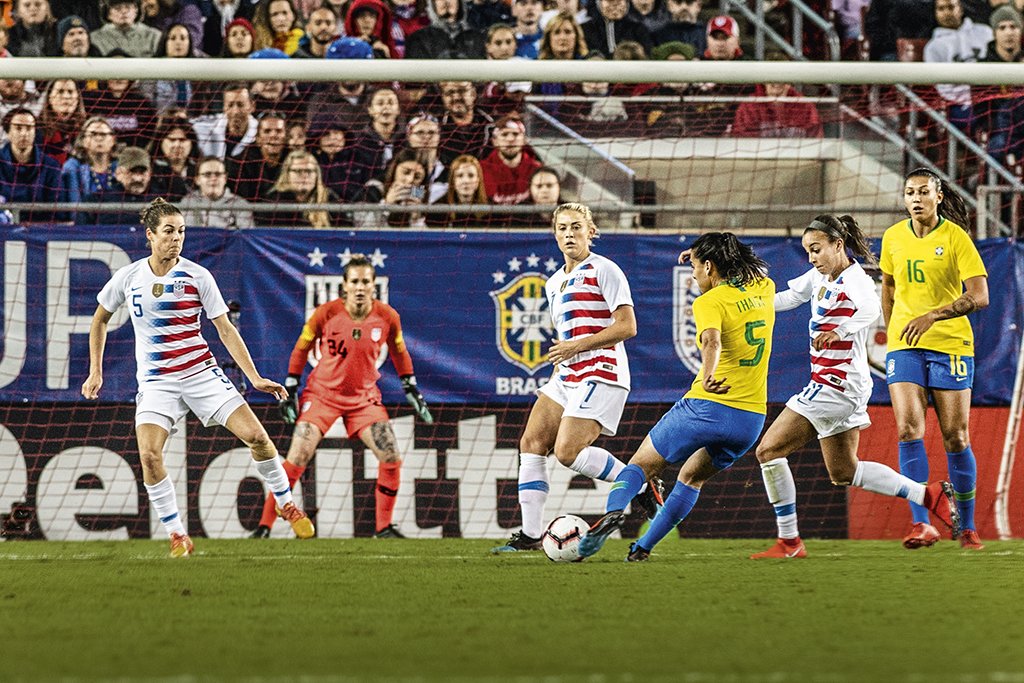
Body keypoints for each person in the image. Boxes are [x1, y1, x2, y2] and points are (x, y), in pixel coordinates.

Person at [81, 198, 313, 557]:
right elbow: (99, 320)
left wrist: (253, 377)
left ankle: (285, 502)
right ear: (150, 235)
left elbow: (225, 329)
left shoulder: (197, 275)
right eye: (169, 231)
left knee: (258, 437)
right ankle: (177, 534)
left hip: (201, 374)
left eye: (182, 231)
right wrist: (96, 370)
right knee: (150, 455)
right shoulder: (128, 277)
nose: (177, 238)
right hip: (157, 383)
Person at [750, 215, 960, 559]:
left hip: (836, 383)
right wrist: (750, 305)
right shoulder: (819, 276)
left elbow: (870, 308)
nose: (812, 258)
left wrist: (841, 330)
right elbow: (789, 298)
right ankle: (929, 495)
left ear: (837, 244)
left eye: (817, 249)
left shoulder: (856, 280)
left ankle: (789, 541)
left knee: (768, 451)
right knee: (845, 471)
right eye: (808, 252)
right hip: (846, 385)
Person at [578, 232, 775, 562]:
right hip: (750, 419)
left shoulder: (709, 302)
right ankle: (641, 549)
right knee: (691, 478)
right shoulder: (763, 288)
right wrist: (700, 254)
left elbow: (711, 341)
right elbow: (747, 271)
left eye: (697, 268)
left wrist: (709, 374)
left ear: (710, 266)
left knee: (640, 466)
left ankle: (612, 512)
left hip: (707, 407)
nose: (694, 275)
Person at [492, 203, 660, 553]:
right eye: (563, 228)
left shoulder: (605, 270)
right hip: (567, 375)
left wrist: (574, 347)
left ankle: (640, 483)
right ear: (555, 234)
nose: (569, 234)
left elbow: (627, 327)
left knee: (568, 452)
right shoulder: (553, 283)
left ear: (591, 232)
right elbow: (567, 333)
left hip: (604, 370)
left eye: (577, 227)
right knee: (531, 443)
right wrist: (563, 363)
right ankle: (530, 535)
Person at [252, 254, 433, 539]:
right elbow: (302, 348)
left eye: (366, 282)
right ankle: (264, 527)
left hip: (364, 399)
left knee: (391, 457)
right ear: (345, 286)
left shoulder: (388, 317)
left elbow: (399, 352)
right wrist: (291, 388)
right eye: (355, 282)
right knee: (297, 456)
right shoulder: (326, 312)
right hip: (322, 395)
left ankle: (384, 528)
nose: (360, 287)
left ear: (374, 285)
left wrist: (411, 387)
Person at [881, 168, 989, 550]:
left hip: (951, 343)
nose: (916, 198)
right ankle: (921, 523)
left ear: (938, 196)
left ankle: (968, 527)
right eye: (910, 192)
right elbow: (889, 285)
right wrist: (892, 329)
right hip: (905, 344)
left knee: (955, 436)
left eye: (923, 192)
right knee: (909, 429)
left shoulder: (955, 238)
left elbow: (980, 295)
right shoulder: (893, 237)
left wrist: (932, 316)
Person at [61, 116, 118, 221]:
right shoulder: (72, 167)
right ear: (83, 140)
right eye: (93, 134)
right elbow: (74, 207)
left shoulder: (120, 167)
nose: (99, 139)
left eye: (103, 135)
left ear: (113, 140)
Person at [179, 155, 255, 228]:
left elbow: (246, 238)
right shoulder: (187, 202)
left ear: (225, 178)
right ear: (197, 180)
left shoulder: (240, 204)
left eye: (218, 174)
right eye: (207, 174)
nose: (213, 178)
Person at [426, 153, 489, 227]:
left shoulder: (493, 211)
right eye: (460, 176)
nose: (466, 181)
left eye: (471, 175)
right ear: (453, 180)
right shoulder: (437, 211)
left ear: (478, 180)